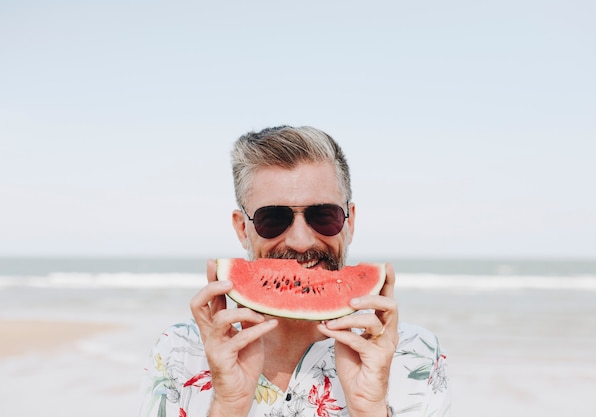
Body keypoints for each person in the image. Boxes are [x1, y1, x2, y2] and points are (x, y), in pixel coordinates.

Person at [139, 126, 450, 417]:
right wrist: (228, 405)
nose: (301, 241)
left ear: (349, 222)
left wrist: (369, 408)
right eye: (272, 219)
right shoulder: (180, 351)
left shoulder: (415, 352)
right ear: (241, 228)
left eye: (323, 216)